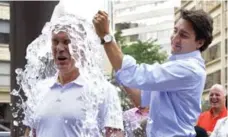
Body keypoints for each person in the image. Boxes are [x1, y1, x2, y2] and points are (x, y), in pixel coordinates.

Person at [93, 8, 213, 137]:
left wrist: (106, 36)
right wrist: (120, 68)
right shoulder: (176, 66)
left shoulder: (189, 69)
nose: (175, 38)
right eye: (175, 31)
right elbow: (141, 99)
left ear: (200, 42)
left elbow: (134, 74)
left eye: (183, 35)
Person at [22, 3, 124, 137]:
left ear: (81, 47)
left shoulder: (102, 90)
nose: (59, 48)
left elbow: (115, 134)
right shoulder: (39, 89)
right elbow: (30, 133)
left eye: (67, 42)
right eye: (55, 41)